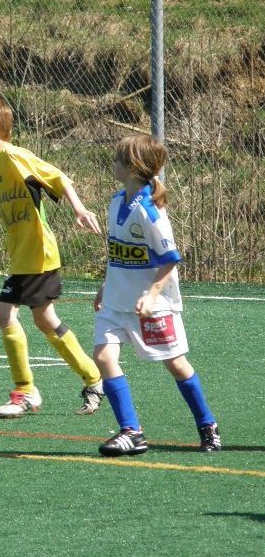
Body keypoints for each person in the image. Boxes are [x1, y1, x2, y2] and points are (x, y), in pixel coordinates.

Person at [0, 93, 105, 418]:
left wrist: (79, 210)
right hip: (22, 254)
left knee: (4, 315)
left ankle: (25, 391)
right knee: (45, 319)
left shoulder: (14, 156)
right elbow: (8, 200)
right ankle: (94, 379)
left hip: (38, 252)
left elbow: (59, 177)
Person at [93, 133, 220, 456]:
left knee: (175, 364)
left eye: (118, 158)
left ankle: (207, 424)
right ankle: (131, 432)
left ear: (132, 167)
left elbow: (169, 259)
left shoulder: (150, 211)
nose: (113, 163)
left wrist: (150, 296)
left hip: (153, 305)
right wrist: (106, 285)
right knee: (104, 357)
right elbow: (117, 252)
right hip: (116, 302)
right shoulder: (116, 201)